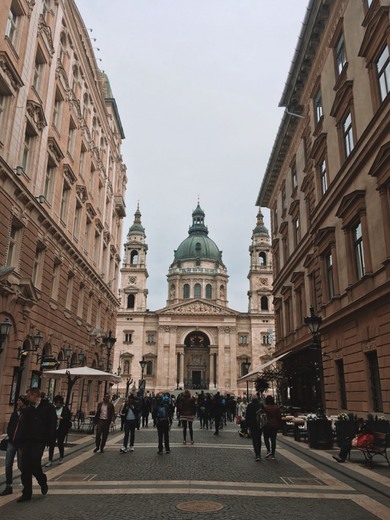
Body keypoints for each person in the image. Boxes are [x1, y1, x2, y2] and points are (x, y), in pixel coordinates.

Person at [14, 387, 57, 502]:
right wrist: (19, 439)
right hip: (28, 440)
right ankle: (27, 492)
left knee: (34, 461)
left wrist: (51, 440)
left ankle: (42, 481)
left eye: (29, 396)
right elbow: (22, 425)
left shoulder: (48, 408)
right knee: (25, 466)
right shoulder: (28, 409)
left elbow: (53, 424)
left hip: (40, 441)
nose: (27, 398)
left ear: (34, 395)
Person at [0, 395, 29, 496]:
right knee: (8, 464)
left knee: (21, 465)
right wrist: (11, 434)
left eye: (19, 400)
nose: (17, 402)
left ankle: (26, 485)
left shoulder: (28, 413)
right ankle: (9, 486)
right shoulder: (15, 413)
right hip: (12, 442)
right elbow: (10, 425)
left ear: (24, 402)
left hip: (21, 443)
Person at [45, 395, 72, 466]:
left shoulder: (65, 409)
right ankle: (50, 460)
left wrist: (62, 417)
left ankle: (61, 457)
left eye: (59, 402)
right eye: (57, 402)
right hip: (53, 429)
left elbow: (69, 417)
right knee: (51, 444)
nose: (58, 404)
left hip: (62, 429)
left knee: (60, 443)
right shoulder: (52, 409)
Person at [263, 395, 282, 460]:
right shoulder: (276, 408)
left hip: (266, 425)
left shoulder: (264, 407)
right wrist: (279, 425)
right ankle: (273, 454)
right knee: (273, 440)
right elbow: (279, 417)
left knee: (266, 438)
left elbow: (262, 416)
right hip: (274, 425)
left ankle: (268, 450)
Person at [245, 395, 263, 461]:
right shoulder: (260, 405)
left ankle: (257, 454)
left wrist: (247, 425)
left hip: (252, 424)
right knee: (259, 438)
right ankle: (259, 453)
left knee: (254, 439)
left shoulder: (250, 405)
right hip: (260, 424)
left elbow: (247, 416)